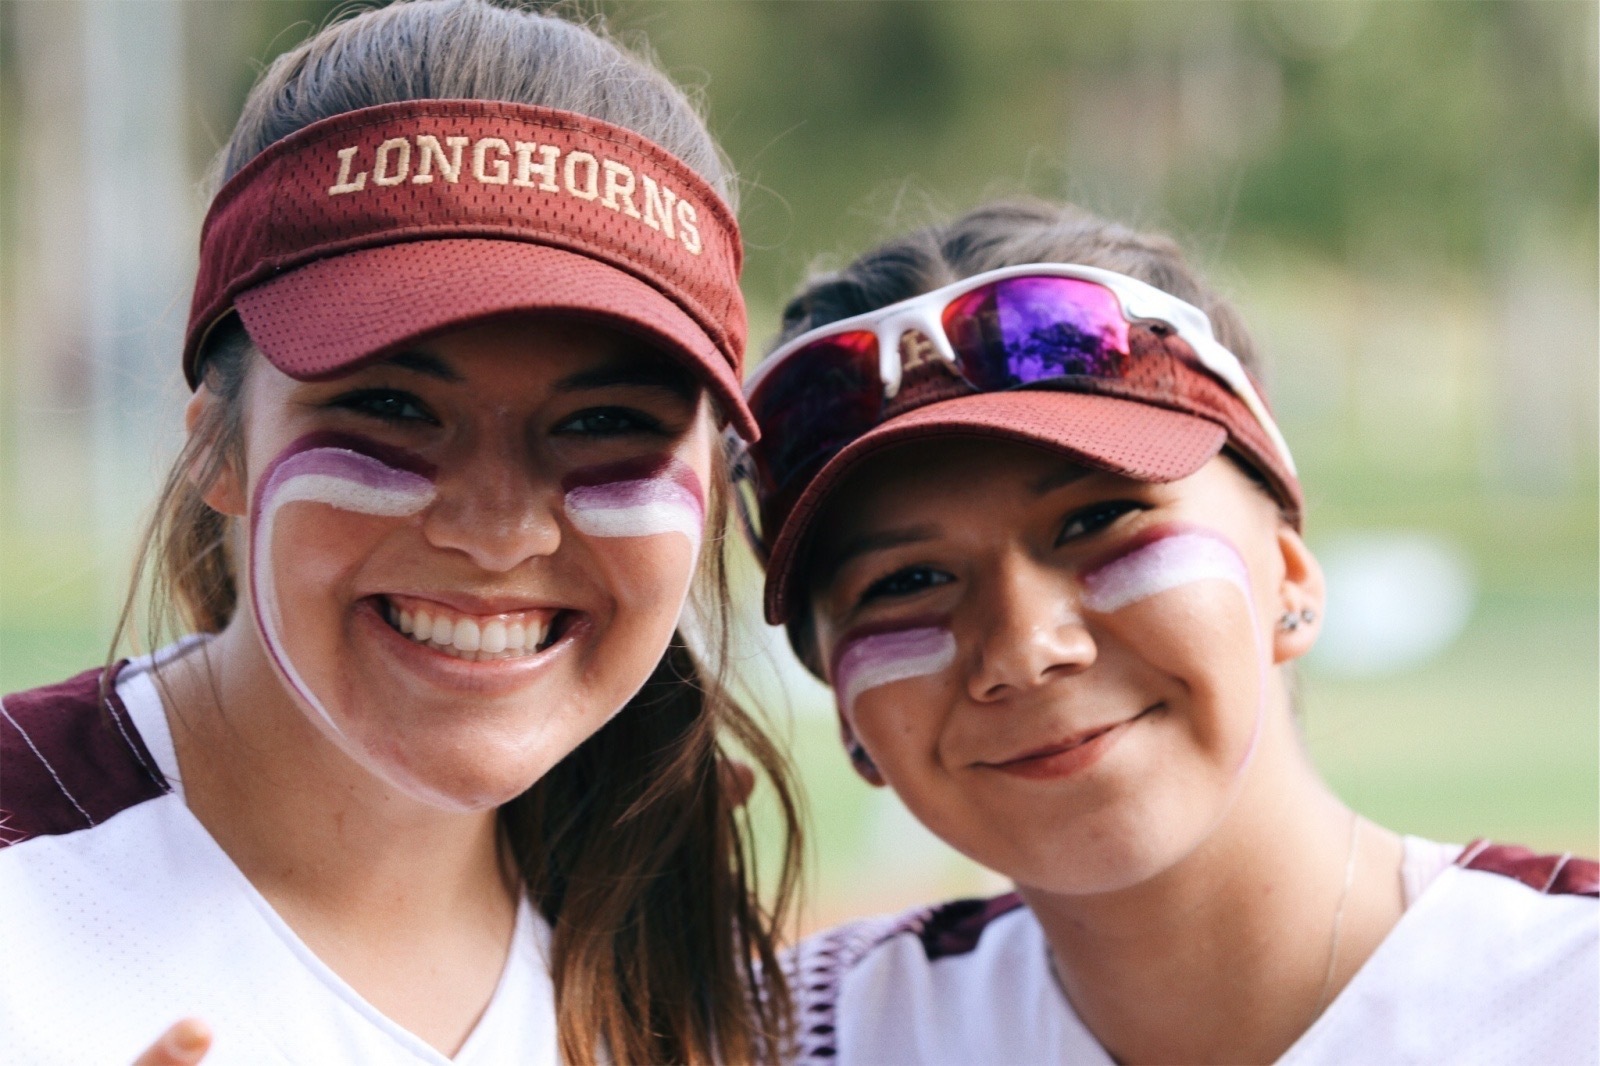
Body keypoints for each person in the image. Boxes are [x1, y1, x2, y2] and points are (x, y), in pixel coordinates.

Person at [0, 3, 802, 1063]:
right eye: (390, 406)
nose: (498, 532)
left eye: (605, 422)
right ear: (216, 451)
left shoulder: (675, 938)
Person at [732, 200, 1598, 1064]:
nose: (1025, 650)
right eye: (907, 582)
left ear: (1290, 574)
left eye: (1097, 519)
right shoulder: (786, 1041)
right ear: (847, 713)